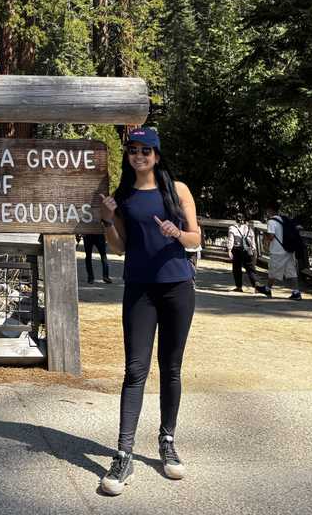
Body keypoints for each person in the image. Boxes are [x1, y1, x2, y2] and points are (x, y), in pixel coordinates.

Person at [97, 127, 200, 497]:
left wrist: (177, 233)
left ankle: (167, 441)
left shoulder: (178, 190)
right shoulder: (123, 196)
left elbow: (196, 237)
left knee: (171, 368)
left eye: (145, 150)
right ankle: (123, 453)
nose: (138, 156)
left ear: (157, 155)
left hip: (177, 287)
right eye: (133, 150)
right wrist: (107, 219)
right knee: (135, 370)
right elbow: (120, 247)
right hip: (140, 290)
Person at [256, 202, 303, 300]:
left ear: (270, 210)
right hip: (288, 249)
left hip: (277, 250)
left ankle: (267, 289)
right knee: (291, 271)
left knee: (273, 270)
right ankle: (296, 292)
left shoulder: (271, 221)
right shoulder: (283, 219)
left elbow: (271, 236)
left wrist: (265, 235)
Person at [226, 213, 258, 292]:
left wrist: (229, 250)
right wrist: (254, 250)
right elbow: (252, 240)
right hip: (248, 250)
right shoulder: (249, 228)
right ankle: (256, 287)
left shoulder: (232, 228)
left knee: (237, 269)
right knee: (250, 269)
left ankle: (239, 287)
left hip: (237, 250)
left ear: (236, 219)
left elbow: (231, 240)